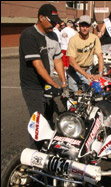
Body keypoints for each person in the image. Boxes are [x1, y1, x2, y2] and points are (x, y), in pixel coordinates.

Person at [19, 4, 67, 149]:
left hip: (47, 85)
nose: (55, 24)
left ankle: (47, 148)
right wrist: (53, 83)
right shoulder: (29, 35)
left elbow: (58, 59)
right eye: (51, 20)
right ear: (41, 17)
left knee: (49, 117)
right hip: (33, 86)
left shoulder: (53, 35)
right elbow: (37, 64)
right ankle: (33, 155)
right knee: (38, 122)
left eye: (56, 21)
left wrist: (63, 82)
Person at [66, 15, 104, 92]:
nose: (84, 28)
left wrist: (100, 74)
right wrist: (86, 75)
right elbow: (72, 61)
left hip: (87, 70)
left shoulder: (94, 38)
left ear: (90, 26)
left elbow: (100, 56)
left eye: (86, 26)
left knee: (89, 94)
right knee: (73, 95)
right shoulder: (73, 40)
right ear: (79, 26)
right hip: (74, 71)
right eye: (82, 25)